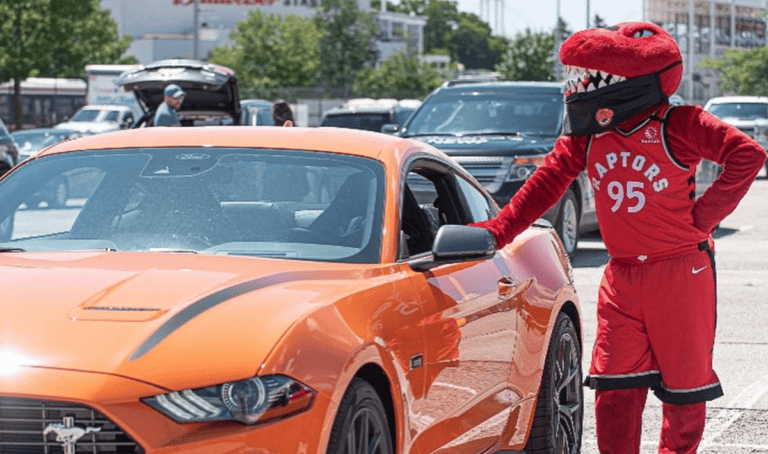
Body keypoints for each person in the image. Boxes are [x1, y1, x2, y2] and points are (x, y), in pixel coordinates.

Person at [471, 22, 767, 453]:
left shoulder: (680, 122)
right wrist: (498, 230)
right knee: (613, 390)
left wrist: (704, 218)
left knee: (685, 392)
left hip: (681, 271)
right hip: (623, 276)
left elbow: (747, 154)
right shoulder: (590, 135)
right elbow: (546, 182)